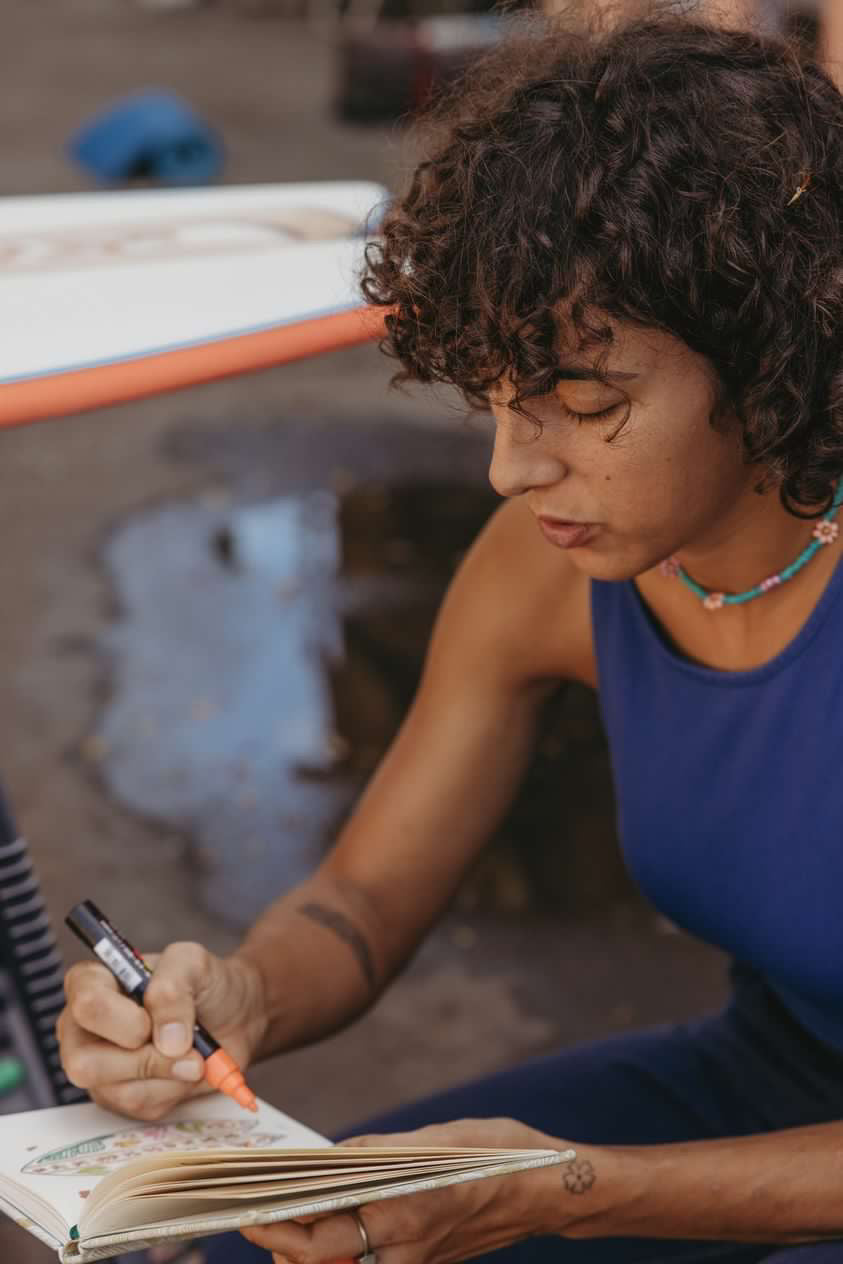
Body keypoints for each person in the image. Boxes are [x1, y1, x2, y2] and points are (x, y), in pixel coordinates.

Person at [57, 6, 843, 1263]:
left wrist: (555, 1187)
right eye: (490, 399)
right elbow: (366, 897)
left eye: (581, 403)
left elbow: (555, 1188)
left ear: (768, 355)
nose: (507, 467)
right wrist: (235, 994)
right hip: (770, 1081)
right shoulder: (551, 562)